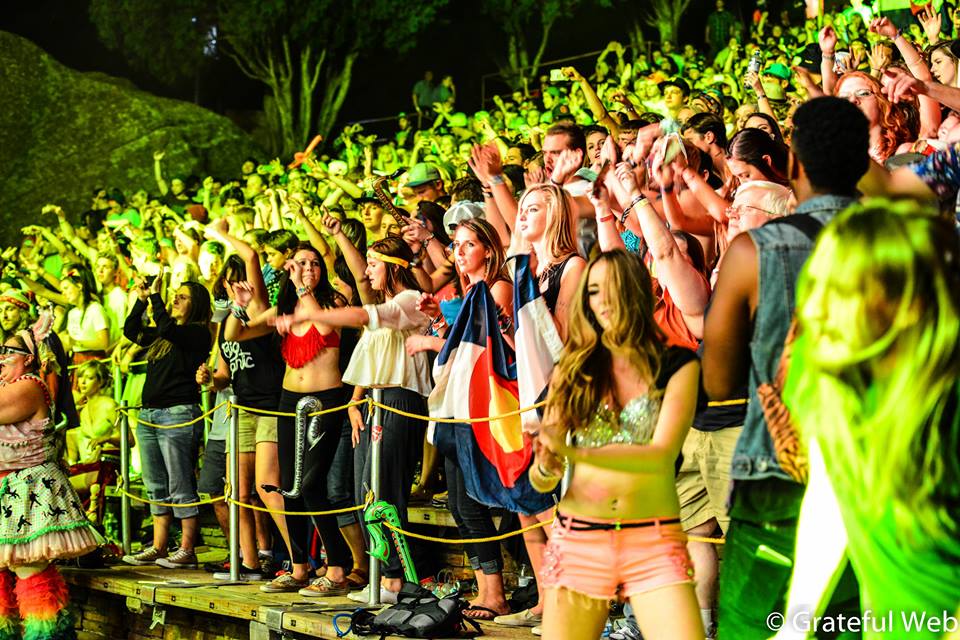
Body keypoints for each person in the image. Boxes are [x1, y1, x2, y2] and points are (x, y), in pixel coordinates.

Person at [703, 96, 869, 639]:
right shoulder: (915, 243)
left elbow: (719, 382)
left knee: (757, 626)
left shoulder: (755, 251)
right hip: (878, 475)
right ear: (863, 162)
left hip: (780, 475)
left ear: (792, 162)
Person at [772, 201, 960, 640]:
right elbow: (831, 494)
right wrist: (796, 626)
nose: (819, 308)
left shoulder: (948, 403)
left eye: (844, 290)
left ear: (909, 304)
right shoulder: (817, 370)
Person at [531, 249, 703, 640]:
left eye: (613, 288)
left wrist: (574, 452)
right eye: (593, 291)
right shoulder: (574, 368)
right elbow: (543, 479)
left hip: (652, 538)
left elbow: (660, 457)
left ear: (636, 292)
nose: (602, 300)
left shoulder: (678, 365)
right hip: (579, 538)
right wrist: (545, 464)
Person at [274, 231, 432, 604]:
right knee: (367, 493)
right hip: (372, 401)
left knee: (385, 492)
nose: (368, 270)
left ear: (393, 267)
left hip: (398, 399)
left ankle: (398, 580)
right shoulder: (386, 302)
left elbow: (361, 313)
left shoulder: (409, 300)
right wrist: (355, 400)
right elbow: (369, 353)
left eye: (375, 263)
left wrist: (313, 311)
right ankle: (385, 576)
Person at [227, 242, 357, 596]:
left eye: (314, 264)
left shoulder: (333, 302)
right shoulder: (284, 308)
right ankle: (299, 568)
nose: (309, 269)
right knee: (291, 488)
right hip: (288, 400)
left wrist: (301, 288)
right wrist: (239, 305)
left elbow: (323, 327)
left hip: (324, 401)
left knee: (312, 486)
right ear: (289, 268)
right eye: (301, 263)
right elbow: (235, 334)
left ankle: (337, 568)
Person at [407, 218, 514, 620]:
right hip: (459, 403)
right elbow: (458, 343)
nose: (460, 252)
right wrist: (439, 318)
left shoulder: (497, 287)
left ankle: (495, 592)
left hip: (481, 406)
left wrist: (429, 339)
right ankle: (486, 588)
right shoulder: (469, 291)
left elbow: (479, 349)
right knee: (456, 501)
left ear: (488, 249)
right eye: (456, 244)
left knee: (470, 502)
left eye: (469, 244)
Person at [0, 327, 100, 638]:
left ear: (29, 359)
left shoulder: (30, 386)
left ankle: (46, 636)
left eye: (8, 352)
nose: (1, 357)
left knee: (29, 567)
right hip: (6, 488)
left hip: (28, 490)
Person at [121, 278, 212, 570]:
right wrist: (141, 299)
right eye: (175, 295)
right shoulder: (163, 335)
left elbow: (169, 329)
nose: (176, 299)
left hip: (178, 414)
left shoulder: (197, 333)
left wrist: (156, 298)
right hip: (149, 414)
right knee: (155, 484)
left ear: (196, 304)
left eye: (183, 297)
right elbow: (130, 330)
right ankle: (159, 546)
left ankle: (187, 549)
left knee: (180, 483)